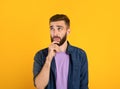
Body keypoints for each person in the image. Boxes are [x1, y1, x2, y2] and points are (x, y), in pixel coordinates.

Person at [33, 14, 89, 89]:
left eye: (59, 29)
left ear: (68, 31)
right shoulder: (40, 55)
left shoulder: (80, 55)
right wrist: (48, 59)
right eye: (52, 28)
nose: (55, 33)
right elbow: (39, 86)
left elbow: (84, 86)